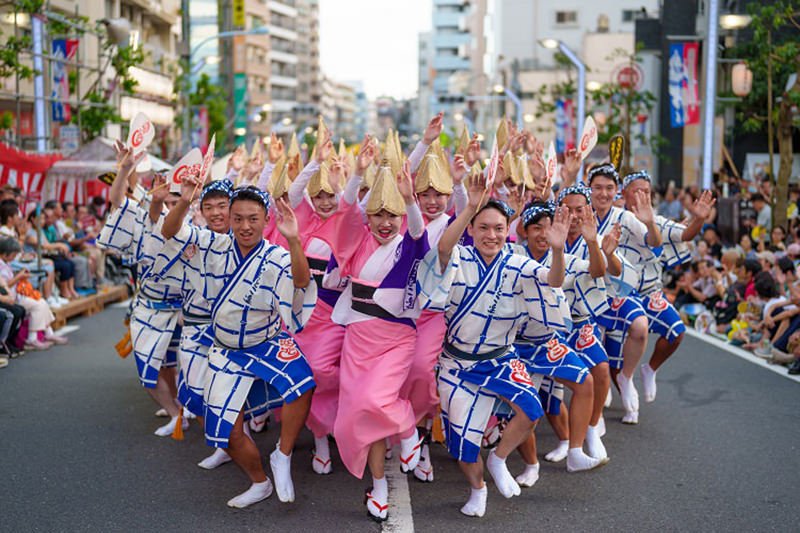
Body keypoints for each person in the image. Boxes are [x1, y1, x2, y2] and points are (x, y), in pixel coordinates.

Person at [156, 174, 317, 509]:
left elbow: (301, 282)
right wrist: (184, 200)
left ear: (266, 220)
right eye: (238, 218)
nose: (245, 226)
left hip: (267, 341)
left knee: (303, 383)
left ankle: (282, 455)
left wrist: (295, 241)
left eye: (253, 219)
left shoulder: (275, 254)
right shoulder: (212, 245)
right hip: (226, 349)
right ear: (229, 218)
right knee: (226, 433)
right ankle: (259, 483)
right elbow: (169, 232)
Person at [417, 172, 572, 518]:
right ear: (471, 230)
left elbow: (554, 280)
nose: (491, 235)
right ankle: (478, 489)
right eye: (484, 227)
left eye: (499, 228)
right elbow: (442, 249)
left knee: (531, 408)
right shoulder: (460, 257)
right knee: (462, 447)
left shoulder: (517, 263)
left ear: (508, 231)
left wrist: (558, 250)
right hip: (457, 364)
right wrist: (470, 204)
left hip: (501, 358)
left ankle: (499, 459)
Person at [313, 148, 429, 522]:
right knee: (359, 415)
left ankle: (408, 425)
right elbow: (345, 217)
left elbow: (418, 235)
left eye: (391, 214)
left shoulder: (409, 246)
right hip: (359, 337)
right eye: (378, 213)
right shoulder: (358, 239)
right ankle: (378, 486)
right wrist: (357, 175)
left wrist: (410, 201)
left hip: (396, 337)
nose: (384, 222)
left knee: (375, 400)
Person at [511, 199, 613, 477]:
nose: (543, 233)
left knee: (585, 381)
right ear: (525, 231)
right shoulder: (511, 254)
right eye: (536, 228)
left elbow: (597, 271)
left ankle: (576, 452)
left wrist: (593, 242)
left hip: (548, 342)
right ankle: (531, 465)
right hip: (513, 347)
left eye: (550, 226)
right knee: (527, 410)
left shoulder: (564, 259)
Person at [97, 142, 185, 438]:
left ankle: (178, 411)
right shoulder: (144, 219)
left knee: (172, 365)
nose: (170, 204)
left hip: (185, 311)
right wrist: (124, 169)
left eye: (177, 199)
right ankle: (174, 412)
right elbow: (117, 201)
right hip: (149, 307)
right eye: (165, 199)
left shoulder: (194, 226)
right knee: (149, 371)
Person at [621, 172, 715, 405]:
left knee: (676, 331)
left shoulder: (658, 221)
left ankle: (650, 369)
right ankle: (625, 386)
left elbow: (685, 234)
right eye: (636, 190)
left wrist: (700, 219)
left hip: (650, 292)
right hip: (620, 294)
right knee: (613, 354)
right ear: (623, 194)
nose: (643, 195)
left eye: (647, 191)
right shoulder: (615, 219)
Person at [584, 164, 663, 424]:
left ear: (616, 191)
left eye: (609, 188)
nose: (603, 193)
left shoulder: (624, 217)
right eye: (598, 188)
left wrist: (650, 221)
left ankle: (626, 377)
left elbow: (655, 245)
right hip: (586, 294)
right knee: (594, 349)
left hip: (617, 290)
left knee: (640, 327)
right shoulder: (580, 214)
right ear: (589, 189)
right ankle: (594, 400)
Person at [0, 238, 66, 349]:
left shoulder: (6, 263)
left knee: (41, 301)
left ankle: (48, 332)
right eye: (13, 255)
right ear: (6, 254)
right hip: (10, 297)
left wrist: (20, 275)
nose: (14, 257)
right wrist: (19, 277)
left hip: (16, 293)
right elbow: (4, 286)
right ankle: (32, 338)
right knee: (37, 306)